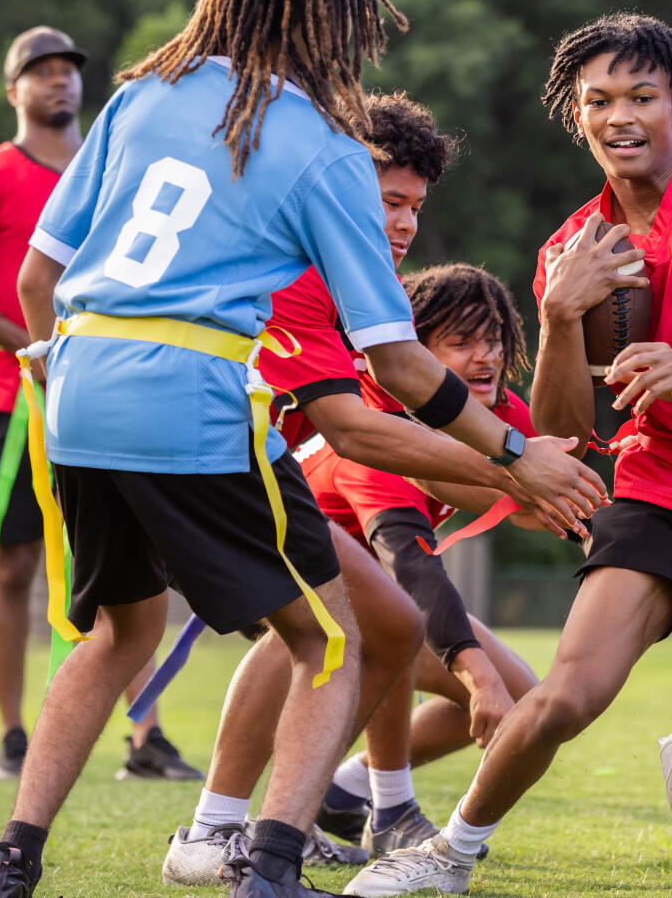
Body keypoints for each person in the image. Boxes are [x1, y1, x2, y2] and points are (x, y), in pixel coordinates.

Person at [0, 0, 605, 896]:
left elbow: (32, 281)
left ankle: (9, 860)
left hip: (80, 389)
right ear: (331, 20)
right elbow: (397, 366)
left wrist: (82, 385)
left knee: (119, 634)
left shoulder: (140, 96)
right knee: (331, 641)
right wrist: (514, 453)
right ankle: (270, 866)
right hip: (191, 391)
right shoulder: (321, 144)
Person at [343, 12, 672, 896]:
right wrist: (554, 315)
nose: (618, 116)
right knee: (566, 695)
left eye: (640, 96)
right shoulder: (572, 251)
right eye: (597, 101)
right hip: (658, 489)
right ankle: (448, 855)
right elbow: (566, 434)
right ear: (576, 116)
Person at [160, 94, 539, 886]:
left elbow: (512, 479)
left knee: (379, 630)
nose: (403, 224)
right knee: (341, 629)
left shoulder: (361, 289)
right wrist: (513, 465)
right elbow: (367, 455)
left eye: (415, 207)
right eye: (388, 200)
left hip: (219, 456)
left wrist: (562, 333)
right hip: (203, 454)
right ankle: (238, 826)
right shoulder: (305, 272)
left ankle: (342, 800)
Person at [0, 25, 200, 784]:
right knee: (14, 564)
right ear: (13, 90)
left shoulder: (118, 163)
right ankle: (14, 736)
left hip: (114, 394)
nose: (59, 82)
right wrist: (33, 342)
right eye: (39, 72)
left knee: (137, 563)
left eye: (68, 69)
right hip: (15, 399)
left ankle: (146, 736)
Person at [303, 263, 542, 858]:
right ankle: (355, 810)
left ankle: (348, 789)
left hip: (378, 594)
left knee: (521, 692)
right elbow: (411, 568)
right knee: (404, 629)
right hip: (293, 592)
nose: (484, 357)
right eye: (460, 343)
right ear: (411, 358)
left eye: (493, 338)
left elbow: (544, 507)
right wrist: (477, 677)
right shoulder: (377, 428)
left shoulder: (498, 413)